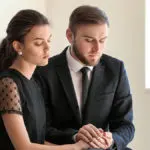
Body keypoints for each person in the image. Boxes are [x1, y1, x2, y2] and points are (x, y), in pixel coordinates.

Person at [35, 5, 135, 150]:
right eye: (89, 40)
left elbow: (126, 125)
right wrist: (75, 136)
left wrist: (111, 139)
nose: (97, 49)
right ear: (70, 36)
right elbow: (42, 127)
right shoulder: (44, 71)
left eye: (102, 40)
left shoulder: (116, 69)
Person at [0, 9, 90, 150]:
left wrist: (81, 146)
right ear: (18, 46)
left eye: (49, 40)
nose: (48, 47)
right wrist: (75, 148)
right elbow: (24, 147)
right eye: (38, 43)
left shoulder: (34, 83)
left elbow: (38, 141)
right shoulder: (8, 84)